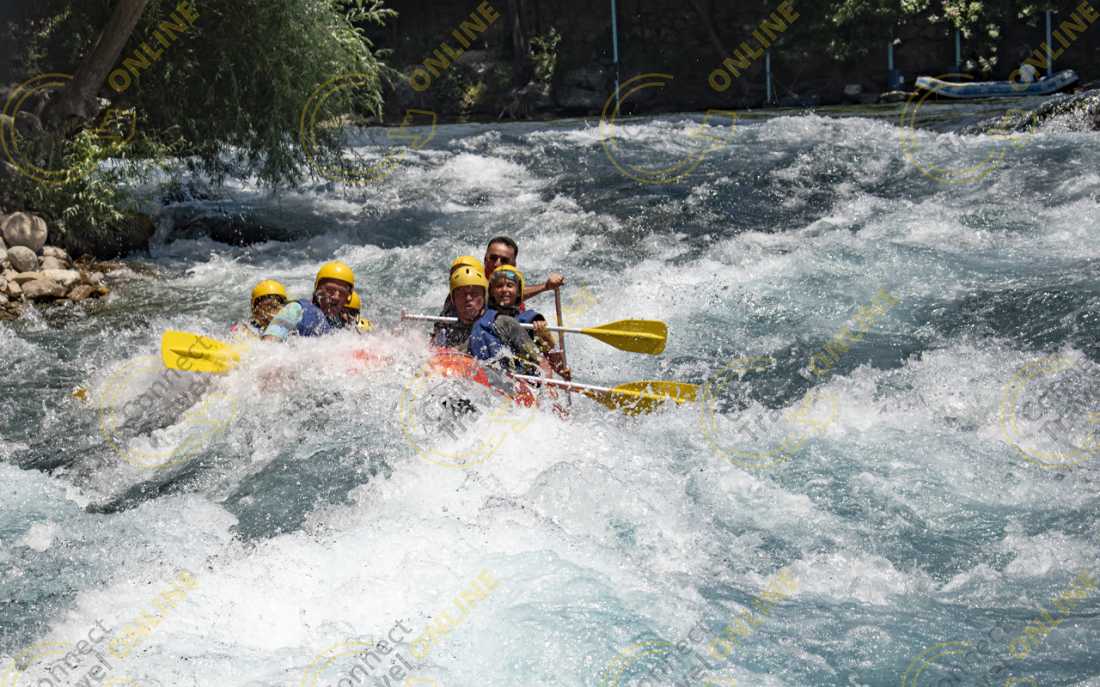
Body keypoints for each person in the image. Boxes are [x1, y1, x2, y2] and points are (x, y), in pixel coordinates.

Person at [469, 264, 570, 380]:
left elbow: (556, 362)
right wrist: (546, 286)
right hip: (489, 374)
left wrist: (544, 336)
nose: (504, 290)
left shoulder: (531, 320)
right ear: (492, 292)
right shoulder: (482, 312)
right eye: (499, 286)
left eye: (510, 286)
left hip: (524, 380)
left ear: (518, 292)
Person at [262, 261, 357, 341]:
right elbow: (269, 344)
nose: (336, 297)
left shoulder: (341, 324)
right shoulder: (296, 309)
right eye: (330, 290)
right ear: (317, 289)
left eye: (342, 293)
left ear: (347, 298)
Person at [482, 236, 565, 304]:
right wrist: (545, 287)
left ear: (513, 265)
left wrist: (547, 286)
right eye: (493, 258)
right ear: (485, 259)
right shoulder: (473, 280)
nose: (497, 264)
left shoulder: (515, 282)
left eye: (504, 260)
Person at [431, 264, 488, 351]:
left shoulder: (497, 322)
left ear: (484, 297)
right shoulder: (446, 323)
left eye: (474, 293)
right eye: (462, 294)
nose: (468, 298)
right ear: (453, 299)